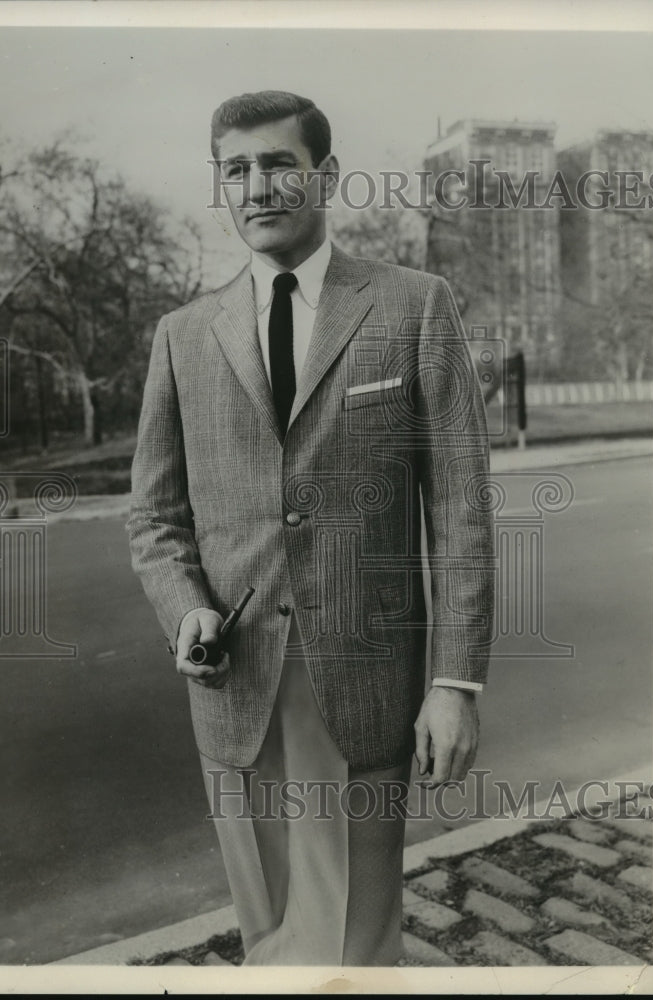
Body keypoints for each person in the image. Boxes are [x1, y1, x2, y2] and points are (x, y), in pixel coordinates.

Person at [127, 90, 494, 966]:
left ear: (325, 176)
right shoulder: (182, 337)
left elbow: (461, 508)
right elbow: (154, 516)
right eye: (236, 169)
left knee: (357, 945)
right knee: (270, 939)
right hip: (236, 687)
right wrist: (185, 611)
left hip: (365, 684)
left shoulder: (412, 305)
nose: (257, 186)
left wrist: (455, 684)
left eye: (278, 164)